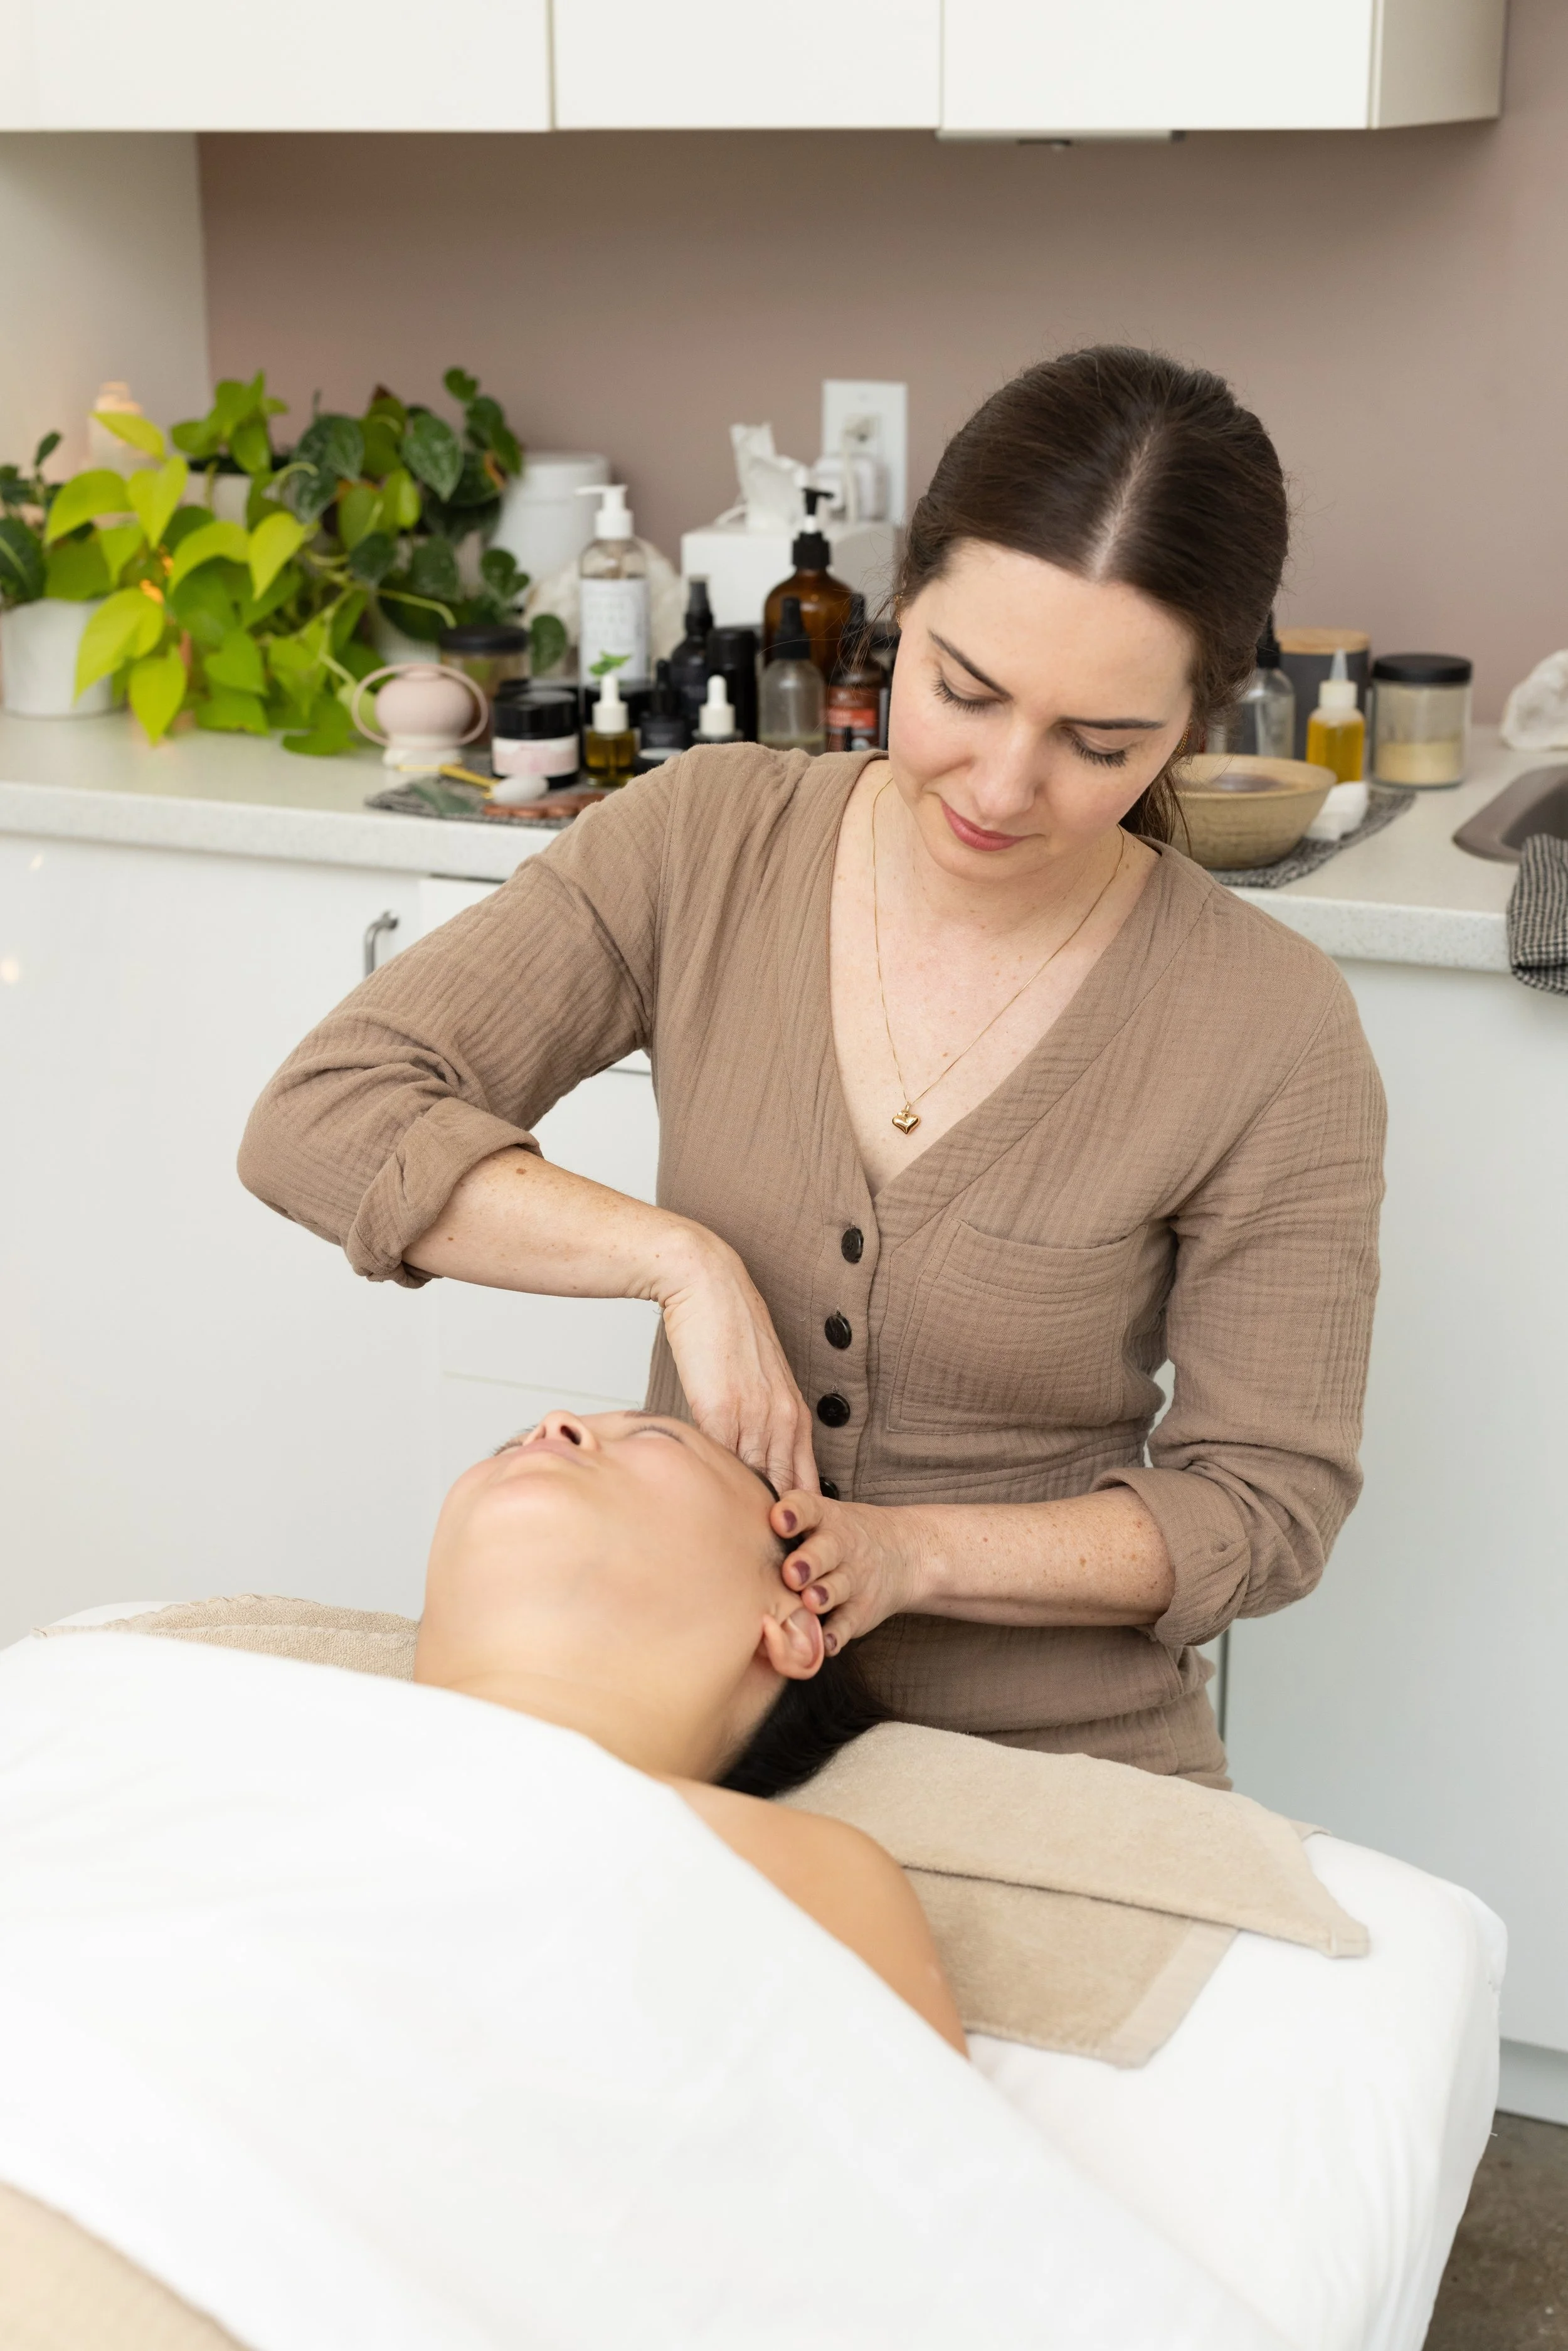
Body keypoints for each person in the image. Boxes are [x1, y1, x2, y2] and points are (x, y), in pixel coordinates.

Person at [240, 344, 1385, 1787]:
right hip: (670, 1715)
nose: (1002, 784)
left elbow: (1266, 1507)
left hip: (1053, 1754)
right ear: (901, 609)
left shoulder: (1268, 1026)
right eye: (964, 691)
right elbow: (322, 1117)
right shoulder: (705, 839)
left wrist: (908, 1555)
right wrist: (675, 1260)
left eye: (1099, 742)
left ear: (1198, 724)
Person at [415, 1402, 966, 2054]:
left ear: (794, 1621)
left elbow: (909, 2146)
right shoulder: (267, 1720)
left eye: (651, 1433)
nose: (550, 1425)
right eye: (508, 1443)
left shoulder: (801, 1874)